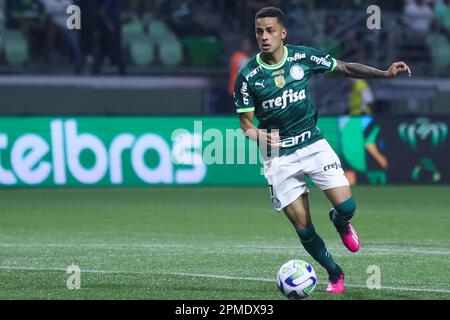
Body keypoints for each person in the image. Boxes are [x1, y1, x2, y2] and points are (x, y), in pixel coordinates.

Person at [234, 7, 411, 294]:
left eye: (269, 30)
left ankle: (340, 221)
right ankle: (334, 273)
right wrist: (259, 136)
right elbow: (245, 123)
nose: (264, 37)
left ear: (283, 33)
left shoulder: (302, 57)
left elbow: (344, 67)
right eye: (259, 31)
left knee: (347, 207)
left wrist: (384, 74)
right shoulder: (248, 76)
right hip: (278, 157)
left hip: (313, 144)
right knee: (303, 227)